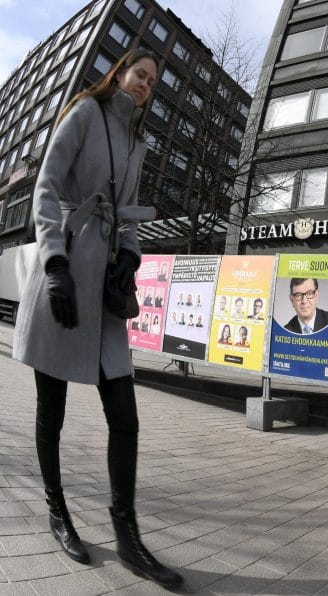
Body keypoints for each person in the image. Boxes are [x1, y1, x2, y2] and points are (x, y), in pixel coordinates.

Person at [10, 48, 182, 588]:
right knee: (52, 412)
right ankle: (58, 512)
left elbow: (127, 214)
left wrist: (130, 256)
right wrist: (55, 263)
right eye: (140, 74)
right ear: (120, 73)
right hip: (62, 278)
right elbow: (46, 187)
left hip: (105, 292)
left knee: (125, 416)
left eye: (152, 81)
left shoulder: (137, 142)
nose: (145, 85)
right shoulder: (86, 112)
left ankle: (128, 537)